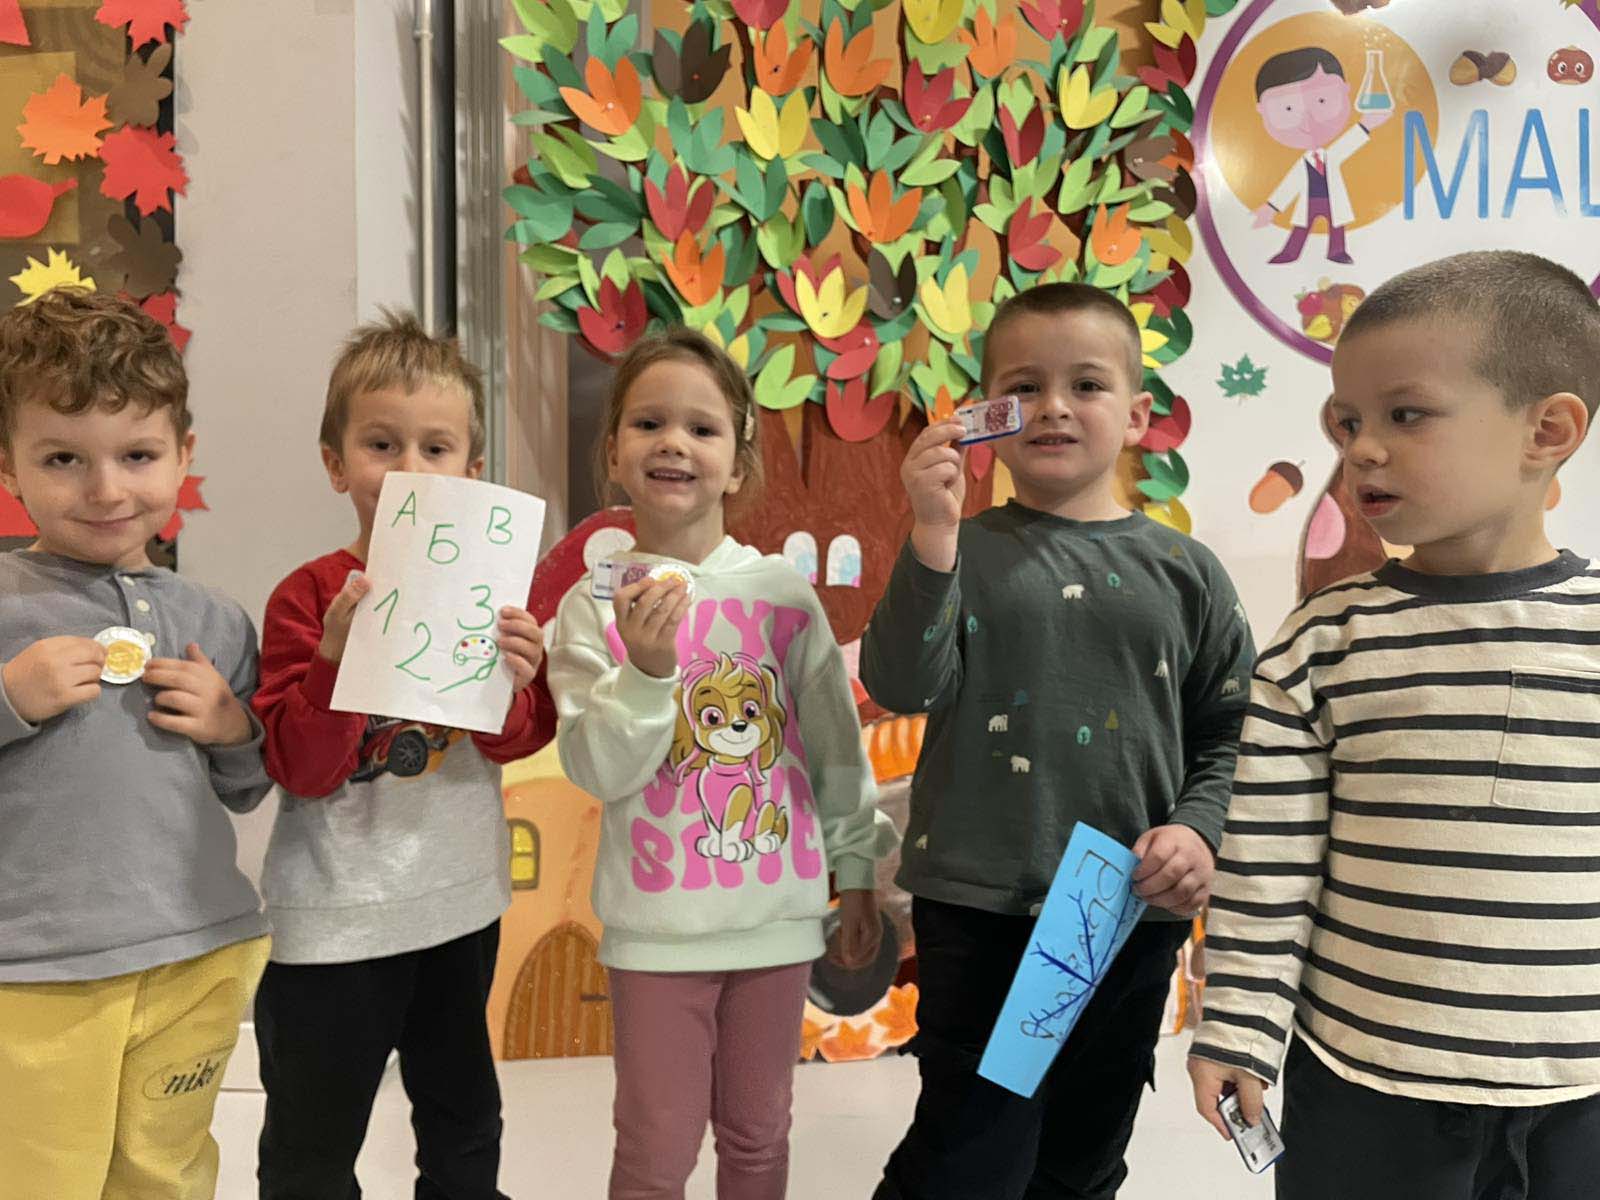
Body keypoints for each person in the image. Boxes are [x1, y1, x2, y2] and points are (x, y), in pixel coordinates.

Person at [1188, 250, 1600, 1199]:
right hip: (1365, 1087)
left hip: (1581, 1091)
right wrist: (1239, 1028)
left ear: (1547, 430)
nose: (1362, 449)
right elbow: (1268, 866)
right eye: (1348, 422)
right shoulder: (1320, 644)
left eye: (1404, 415)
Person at [864, 282, 1255, 1200]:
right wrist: (931, 531)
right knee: (969, 1153)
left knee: (1085, 1153)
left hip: (1127, 912)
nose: (1052, 407)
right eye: (1023, 387)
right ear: (984, 415)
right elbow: (901, 683)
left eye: (1085, 384)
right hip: (976, 906)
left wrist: (1199, 829)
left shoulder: (1188, 571)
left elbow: (1234, 728)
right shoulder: (959, 548)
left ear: (1138, 416)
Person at [547, 327, 891, 1199]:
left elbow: (835, 748)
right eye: (648, 423)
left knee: (758, 1137)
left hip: (777, 924)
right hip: (656, 932)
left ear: (738, 465)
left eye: (701, 428)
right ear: (614, 452)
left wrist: (857, 871)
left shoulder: (782, 595)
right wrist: (646, 672)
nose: (674, 442)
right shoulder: (593, 606)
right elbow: (596, 769)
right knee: (655, 1153)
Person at [251, 311, 555, 1199]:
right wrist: (334, 660)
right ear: (336, 462)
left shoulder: (497, 592)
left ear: (472, 470)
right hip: (336, 916)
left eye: (437, 448)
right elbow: (300, 769)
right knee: (311, 1144)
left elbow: (520, 738)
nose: (411, 469)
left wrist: (520, 677)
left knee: (465, 1124)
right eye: (382, 445)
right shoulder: (308, 596)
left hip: (459, 903)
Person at [0, 288, 272, 1200]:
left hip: (197, 951)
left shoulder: (216, 620)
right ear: (9, 466)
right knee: (38, 1179)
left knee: (168, 1173)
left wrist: (232, 727)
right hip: (32, 969)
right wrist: (9, 697)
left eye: (138, 455)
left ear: (183, 455)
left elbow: (245, 785)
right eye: (64, 459)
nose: (107, 489)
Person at [1251, 47, 1393, 265]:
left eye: (1322, 101)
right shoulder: (1305, 162)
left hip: (1331, 199)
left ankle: (1337, 252)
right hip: (1310, 201)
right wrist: (1271, 207)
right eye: (1288, 109)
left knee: (1337, 227)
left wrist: (1366, 124)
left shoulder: (1331, 155)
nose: (1307, 119)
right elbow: (1291, 183)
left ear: (1346, 90)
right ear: (1261, 110)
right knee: (1300, 229)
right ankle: (1290, 253)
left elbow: (1345, 146)